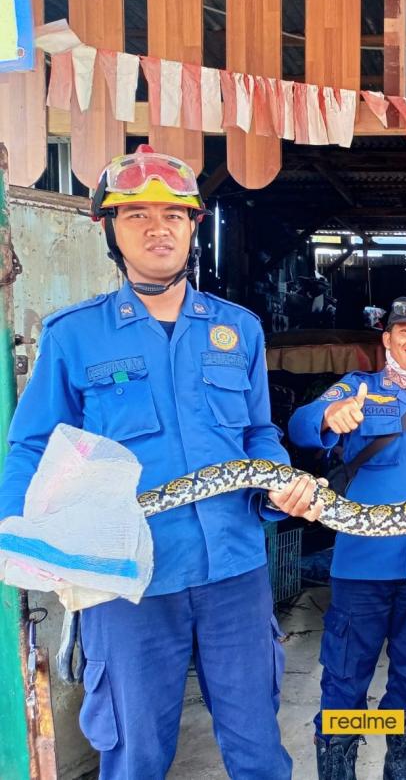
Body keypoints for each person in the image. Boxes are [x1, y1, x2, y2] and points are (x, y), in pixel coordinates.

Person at [0, 145, 321, 779]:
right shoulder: (74, 336)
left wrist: (278, 483)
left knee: (257, 743)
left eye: (174, 215)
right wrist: (19, 535)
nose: (157, 228)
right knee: (137, 750)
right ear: (109, 231)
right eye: (136, 214)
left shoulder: (240, 330)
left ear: (194, 226)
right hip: (129, 577)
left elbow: (259, 432)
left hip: (234, 567)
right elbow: (31, 446)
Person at [289, 297, 406, 780]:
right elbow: (301, 425)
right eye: (404, 330)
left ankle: (402, 764)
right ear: (386, 339)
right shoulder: (357, 389)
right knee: (346, 678)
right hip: (361, 571)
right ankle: (339, 766)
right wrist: (331, 417)